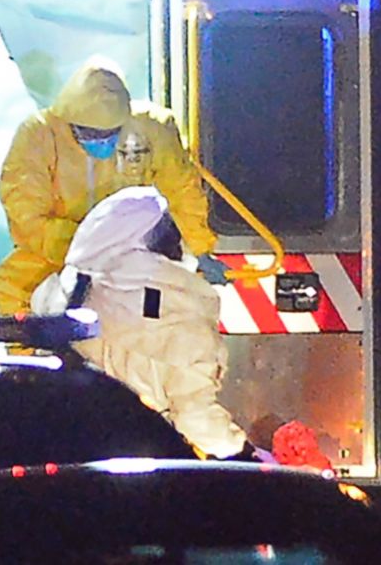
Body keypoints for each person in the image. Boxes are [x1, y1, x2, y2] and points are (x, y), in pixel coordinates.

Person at [0, 56, 229, 315]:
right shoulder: (38, 137)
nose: (101, 141)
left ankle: (138, 349)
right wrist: (92, 251)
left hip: (140, 260)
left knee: (155, 315)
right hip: (55, 256)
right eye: (90, 134)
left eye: (110, 133)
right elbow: (27, 215)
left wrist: (199, 248)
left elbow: (182, 191)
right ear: (69, 121)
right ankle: (38, 353)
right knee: (16, 294)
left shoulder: (153, 128)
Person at [31, 186, 253, 460]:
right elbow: (196, 419)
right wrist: (242, 451)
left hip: (67, 456)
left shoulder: (77, 296)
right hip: (140, 464)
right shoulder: (183, 308)